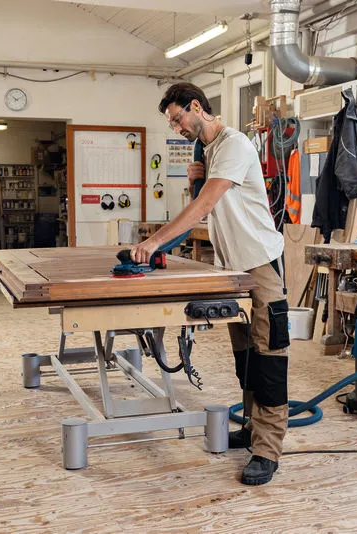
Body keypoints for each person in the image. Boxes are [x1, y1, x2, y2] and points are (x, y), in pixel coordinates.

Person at [131, 83, 290, 486]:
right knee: (246, 359)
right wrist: (194, 181)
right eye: (171, 122)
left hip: (260, 265)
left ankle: (267, 452)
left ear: (196, 106)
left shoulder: (234, 144)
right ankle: (253, 430)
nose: (176, 127)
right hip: (231, 271)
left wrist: (154, 242)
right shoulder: (210, 151)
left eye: (177, 118)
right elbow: (209, 209)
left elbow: (205, 206)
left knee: (269, 358)